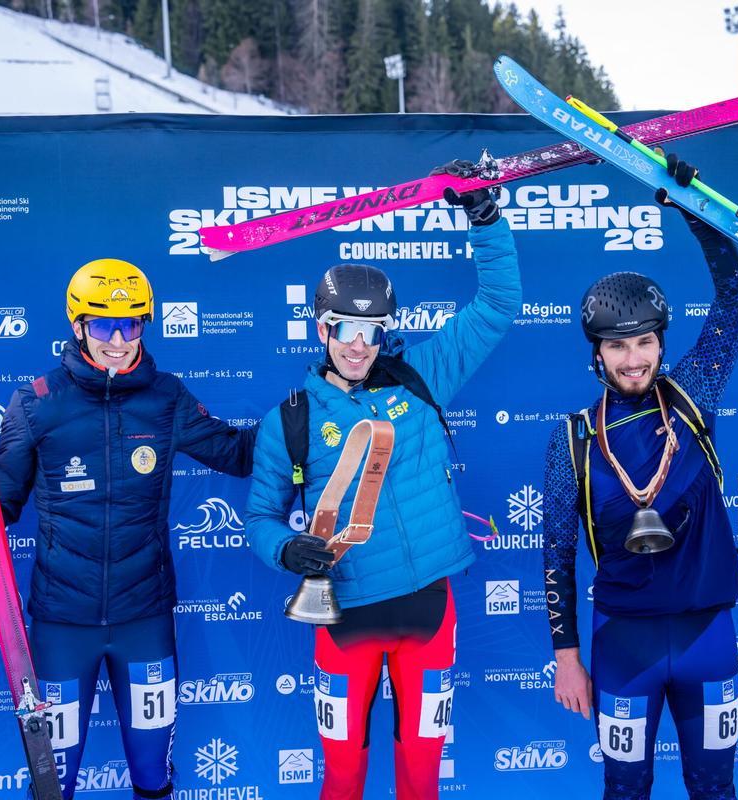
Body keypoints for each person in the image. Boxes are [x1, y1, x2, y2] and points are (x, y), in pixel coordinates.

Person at [0, 259, 256, 800]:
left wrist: (300, 424)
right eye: (104, 325)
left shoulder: (166, 398)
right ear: (78, 326)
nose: (119, 340)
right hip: (62, 625)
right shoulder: (37, 402)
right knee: (52, 781)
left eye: (132, 324)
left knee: (153, 776)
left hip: (144, 619)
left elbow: (237, 453)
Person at [245, 162, 521, 800]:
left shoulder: (420, 378)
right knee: (342, 776)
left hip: (428, 610)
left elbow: (500, 306)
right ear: (323, 328)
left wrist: (485, 219)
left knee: (422, 773)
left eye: (371, 331)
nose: (358, 345)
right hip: (345, 620)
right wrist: (286, 549)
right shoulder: (290, 419)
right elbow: (260, 518)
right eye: (345, 328)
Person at [543, 155, 738, 800]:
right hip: (623, 646)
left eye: (644, 343)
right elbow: (556, 553)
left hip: (707, 638)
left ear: (662, 343)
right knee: (625, 790)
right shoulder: (573, 436)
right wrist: (567, 656)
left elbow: (735, 296)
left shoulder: (693, 395)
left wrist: (695, 209)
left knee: (714, 789)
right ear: (596, 352)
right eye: (617, 345)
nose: (633, 359)